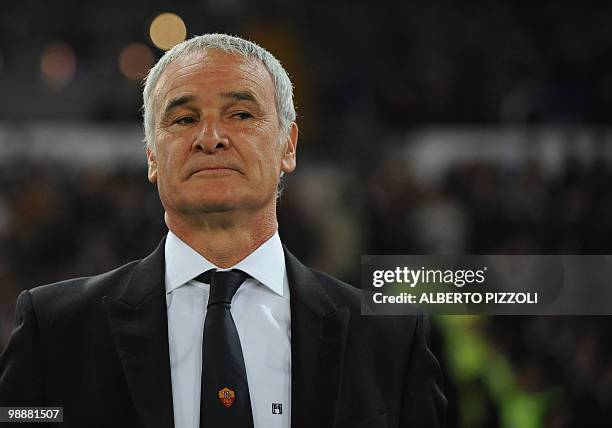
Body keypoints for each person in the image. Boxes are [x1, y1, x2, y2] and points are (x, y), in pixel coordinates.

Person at [0, 34, 446, 427]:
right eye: (183, 119)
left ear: (287, 145)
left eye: (241, 114)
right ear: (152, 156)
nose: (210, 136)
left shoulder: (391, 338)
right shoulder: (55, 329)